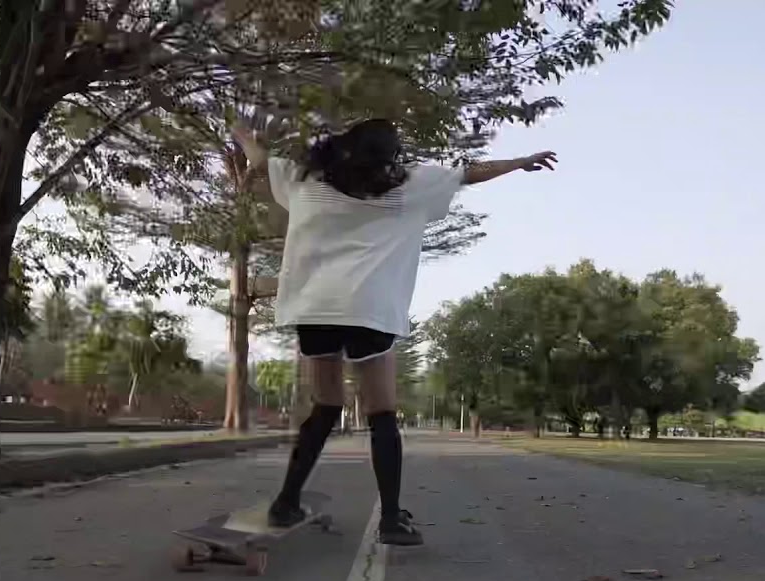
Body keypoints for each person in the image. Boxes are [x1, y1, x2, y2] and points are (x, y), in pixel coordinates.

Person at [232, 118, 556, 545]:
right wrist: (520, 161)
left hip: (316, 308)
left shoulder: (304, 180)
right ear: (389, 157)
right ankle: (390, 519)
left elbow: (260, 161)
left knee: (326, 407)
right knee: (381, 413)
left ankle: (285, 501)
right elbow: (470, 172)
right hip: (369, 309)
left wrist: (243, 136)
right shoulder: (410, 188)